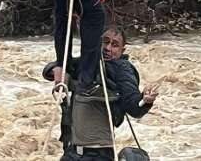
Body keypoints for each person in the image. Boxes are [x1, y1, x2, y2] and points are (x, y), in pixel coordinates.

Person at [44, 26, 159, 160]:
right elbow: (52, 68)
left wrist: (145, 100)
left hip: (99, 153)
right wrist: (56, 71)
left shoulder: (122, 69)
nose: (108, 48)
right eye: (105, 41)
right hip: (72, 151)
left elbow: (133, 106)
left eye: (114, 45)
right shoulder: (85, 64)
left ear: (122, 51)